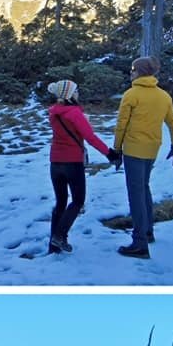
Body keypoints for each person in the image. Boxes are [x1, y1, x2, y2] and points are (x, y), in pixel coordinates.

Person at [112, 56, 173, 259]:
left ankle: (139, 243)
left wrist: (117, 149)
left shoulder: (131, 94)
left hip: (134, 149)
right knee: (144, 187)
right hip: (153, 148)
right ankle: (148, 231)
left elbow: (121, 125)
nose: (130, 73)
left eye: (133, 69)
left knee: (135, 194)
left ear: (140, 72)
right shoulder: (164, 96)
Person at [47, 79, 121, 254]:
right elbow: (90, 138)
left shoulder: (53, 112)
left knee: (60, 203)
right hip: (72, 162)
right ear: (69, 94)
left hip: (55, 162)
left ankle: (53, 246)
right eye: (75, 90)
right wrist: (110, 154)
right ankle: (59, 235)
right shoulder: (74, 113)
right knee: (78, 201)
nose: (78, 93)